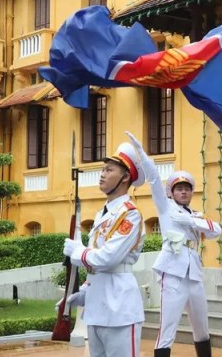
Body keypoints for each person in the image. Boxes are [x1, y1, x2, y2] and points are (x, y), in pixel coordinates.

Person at [126, 131, 221, 357]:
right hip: (173, 274)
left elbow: (216, 230)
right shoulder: (166, 208)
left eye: (187, 188)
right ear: (172, 192)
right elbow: (154, 179)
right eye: (179, 189)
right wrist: (142, 154)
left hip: (194, 275)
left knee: (202, 328)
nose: (184, 191)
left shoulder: (195, 215)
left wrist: (189, 220)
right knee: (167, 329)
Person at [62, 142, 146, 357]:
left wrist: (78, 252)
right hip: (97, 306)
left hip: (120, 307)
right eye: (103, 169)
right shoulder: (103, 213)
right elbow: (96, 266)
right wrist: (84, 293)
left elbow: (107, 258)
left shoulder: (130, 214)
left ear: (125, 177)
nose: (102, 175)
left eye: (109, 170)